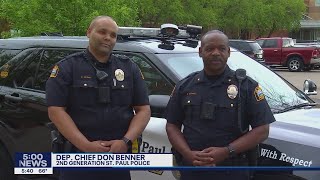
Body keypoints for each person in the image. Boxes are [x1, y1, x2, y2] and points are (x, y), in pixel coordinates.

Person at [46, 16, 151, 180]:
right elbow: (55, 111)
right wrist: (86, 146)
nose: (108, 37)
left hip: (118, 157)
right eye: (102, 32)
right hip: (78, 157)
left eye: (113, 35)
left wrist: (125, 141)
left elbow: (143, 109)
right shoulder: (67, 67)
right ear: (89, 32)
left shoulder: (129, 68)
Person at [165, 30, 276, 180]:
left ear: (228, 52)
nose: (216, 53)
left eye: (221, 48)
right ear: (200, 52)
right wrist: (187, 154)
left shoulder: (246, 86)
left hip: (232, 170)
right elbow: (172, 125)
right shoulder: (185, 86)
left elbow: (262, 130)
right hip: (193, 169)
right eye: (210, 49)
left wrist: (226, 151)